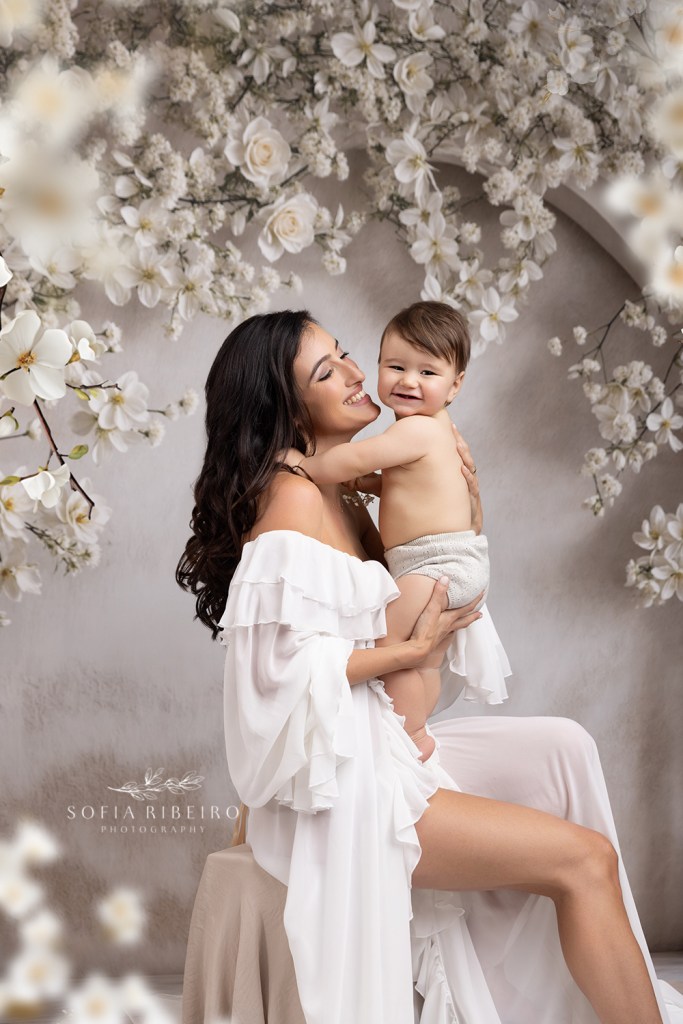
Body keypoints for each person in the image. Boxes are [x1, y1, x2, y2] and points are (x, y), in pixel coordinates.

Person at [176, 309, 683, 1024]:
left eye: (347, 355)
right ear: (287, 407)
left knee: (562, 746)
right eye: (327, 372)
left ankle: (569, 998)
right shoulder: (292, 496)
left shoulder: (347, 494)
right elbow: (274, 676)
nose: (359, 375)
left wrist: (456, 500)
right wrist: (404, 654)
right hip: (346, 794)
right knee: (584, 859)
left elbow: (414, 592)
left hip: (377, 747)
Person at [288, 300, 502, 764]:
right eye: (396, 366)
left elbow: (355, 459)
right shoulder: (433, 431)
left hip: (434, 564)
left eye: (427, 373)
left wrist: (305, 466)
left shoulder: (416, 431)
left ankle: (410, 736)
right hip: (450, 562)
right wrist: (365, 485)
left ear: (455, 385)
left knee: (393, 649)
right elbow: (400, 483)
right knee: (420, 659)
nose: (408, 381)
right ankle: (418, 731)